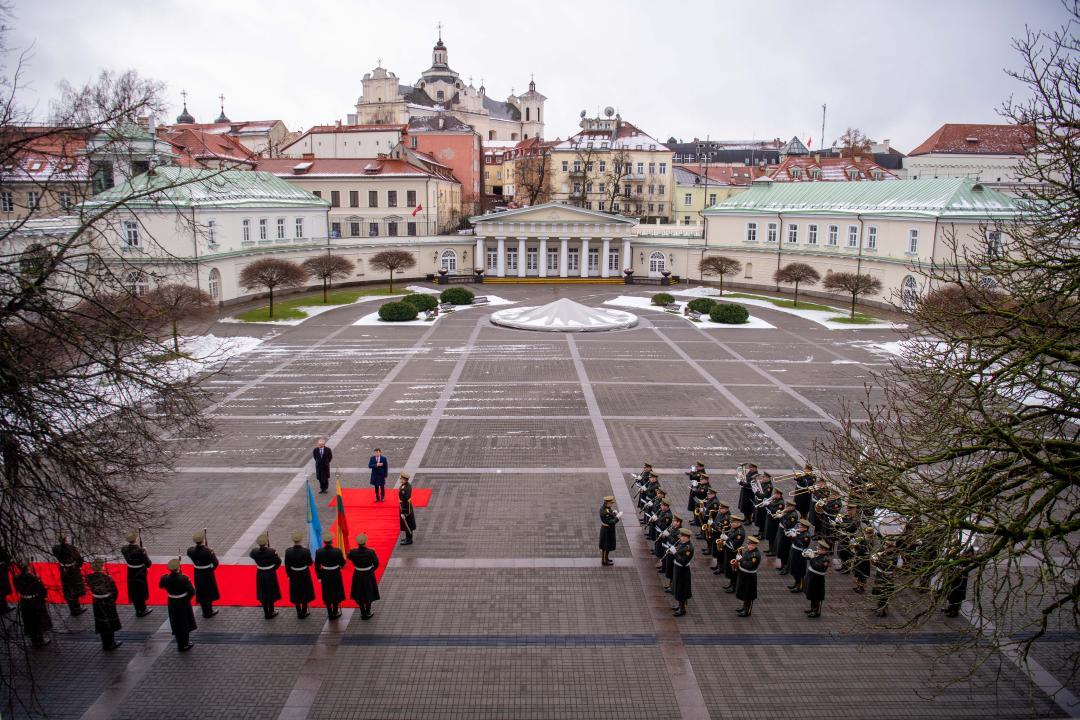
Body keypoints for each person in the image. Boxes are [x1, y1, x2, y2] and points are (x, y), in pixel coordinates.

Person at [86, 560, 123, 650]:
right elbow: (114, 592)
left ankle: (105, 642)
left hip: (96, 602)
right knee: (109, 622)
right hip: (107, 602)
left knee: (101, 622)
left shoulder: (89, 577)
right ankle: (110, 643)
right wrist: (112, 601)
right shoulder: (107, 578)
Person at [160, 558, 196, 651]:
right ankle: (185, 644)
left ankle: (180, 643)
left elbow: (161, 586)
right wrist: (186, 598)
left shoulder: (165, 578)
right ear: (178, 568)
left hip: (172, 602)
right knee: (185, 622)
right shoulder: (184, 578)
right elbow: (192, 591)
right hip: (183, 602)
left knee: (175, 622)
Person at [13, 561, 51, 648]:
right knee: (37, 620)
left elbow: (18, 589)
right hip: (35, 602)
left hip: (24, 602)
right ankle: (40, 640)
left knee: (29, 621)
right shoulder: (34, 579)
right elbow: (41, 590)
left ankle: (33, 640)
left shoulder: (16, 578)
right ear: (28, 568)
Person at [186, 531, 220, 618]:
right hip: (207, 573)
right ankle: (209, 611)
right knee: (208, 592)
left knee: (201, 591)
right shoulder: (208, 551)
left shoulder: (190, 551)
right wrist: (210, 569)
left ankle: (204, 610)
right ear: (203, 540)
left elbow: (192, 552)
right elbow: (215, 563)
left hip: (197, 573)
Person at [347, 534, 380, 620]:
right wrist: (372, 569)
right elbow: (376, 563)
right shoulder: (371, 552)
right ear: (365, 542)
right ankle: (368, 612)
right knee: (369, 592)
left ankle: (362, 612)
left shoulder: (353, 552)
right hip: (368, 574)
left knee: (359, 593)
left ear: (357, 543)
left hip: (358, 574)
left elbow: (348, 556)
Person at [120, 530, 153, 617]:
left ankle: (137, 608)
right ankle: (142, 609)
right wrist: (145, 552)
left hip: (130, 571)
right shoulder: (140, 551)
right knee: (140, 590)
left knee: (134, 590)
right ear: (136, 539)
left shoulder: (124, 549)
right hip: (140, 571)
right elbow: (148, 564)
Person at [52, 534, 86, 616]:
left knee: (67, 589)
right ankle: (76, 609)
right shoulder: (71, 548)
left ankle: (73, 609)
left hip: (63, 570)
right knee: (74, 588)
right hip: (72, 570)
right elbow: (79, 559)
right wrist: (78, 566)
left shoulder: (55, 548)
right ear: (65, 539)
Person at [250, 533, 282, 619]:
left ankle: (266, 612)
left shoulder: (254, 551)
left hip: (260, 573)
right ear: (266, 542)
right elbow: (278, 562)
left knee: (263, 592)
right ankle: (271, 611)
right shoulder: (272, 551)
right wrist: (273, 568)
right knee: (270, 592)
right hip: (270, 573)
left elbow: (252, 555)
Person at [285, 531, 316, 618]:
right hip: (304, 574)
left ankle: (298, 611)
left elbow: (287, 565)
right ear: (301, 540)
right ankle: (304, 611)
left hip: (294, 574)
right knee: (305, 591)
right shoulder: (305, 551)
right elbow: (310, 563)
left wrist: (288, 575)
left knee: (296, 592)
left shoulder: (288, 551)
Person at [315, 532, 346, 619]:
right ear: (332, 541)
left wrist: (319, 576)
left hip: (325, 574)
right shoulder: (337, 551)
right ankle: (335, 611)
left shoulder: (319, 551)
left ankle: (329, 612)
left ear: (324, 541)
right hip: (335, 573)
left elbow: (317, 565)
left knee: (327, 592)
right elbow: (343, 563)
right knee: (336, 592)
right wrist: (341, 566)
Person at [735, 535, 762, 617]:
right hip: (745, 575)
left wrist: (740, 560)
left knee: (749, 594)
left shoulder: (755, 555)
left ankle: (748, 611)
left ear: (754, 545)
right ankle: (744, 607)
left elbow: (749, 565)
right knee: (745, 592)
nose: (748, 546)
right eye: (748, 544)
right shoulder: (748, 551)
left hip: (750, 577)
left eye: (750, 545)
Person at [670, 528, 694, 617]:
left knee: (682, 589)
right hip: (677, 568)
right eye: (681, 536)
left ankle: (682, 609)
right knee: (677, 587)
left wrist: (675, 553)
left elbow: (683, 562)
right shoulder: (682, 543)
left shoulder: (689, 548)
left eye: (683, 536)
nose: (681, 538)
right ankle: (680, 605)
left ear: (687, 537)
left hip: (683, 571)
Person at [804, 540, 830, 618]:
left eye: (819, 549)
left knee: (817, 595)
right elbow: (811, 561)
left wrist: (812, 558)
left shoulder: (825, 559)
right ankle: (812, 609)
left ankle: (816, 611)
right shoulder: (818, 555)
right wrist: (807, 555)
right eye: (818, 548)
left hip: (818, 580)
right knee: (812, 593)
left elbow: (817, 566)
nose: (817, 550)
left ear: (824, 550)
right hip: (812, 578)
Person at [787, 519, 813, 592]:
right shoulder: (800, 532)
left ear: (805, 528)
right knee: (794, 569)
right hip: (795, 552)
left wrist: (795, 537)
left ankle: (800, 586)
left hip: (800, 554)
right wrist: (792, 535)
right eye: (799, 525)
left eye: (801, 526)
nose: (799, 527)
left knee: (799, 571)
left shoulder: (806, 536)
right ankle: (796, 583)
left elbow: (801, 544)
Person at [775, 500, 800, 574]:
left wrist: (781, 516)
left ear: (792, 507)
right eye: (787, 505)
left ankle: (786, 567)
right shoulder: (788, 512)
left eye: (788, 506)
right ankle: (782, 565)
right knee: (781, 549)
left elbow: (787, 525)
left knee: (785, 551)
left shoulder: (793, 515)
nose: (786, 507)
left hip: (787, 535)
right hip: (782, 532)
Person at [722, 514, 746, 588]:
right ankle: (731, 583)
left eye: (733, 523)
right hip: (729, 552)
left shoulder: (739, 533)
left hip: (734, 553)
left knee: (734, 570)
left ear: (738, 523)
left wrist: (726, 540)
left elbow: (734, 546)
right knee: (730, 569)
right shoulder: (734, 528)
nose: (731, 524)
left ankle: (734, 586)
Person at [661, 516, 683, 592]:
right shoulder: (673, 528)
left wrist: (668, 535)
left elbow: (675, 542)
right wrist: (664, 535)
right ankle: (671, 584)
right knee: (669, 568)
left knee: (672, 569)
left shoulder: (679, 532)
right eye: (673, 521)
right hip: (669, 549)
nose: (672, 522)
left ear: (678, 522)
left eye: (674, 521)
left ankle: (673, 586)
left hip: (673, 553)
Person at [852, 527, 876, 594]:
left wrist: (858, 547)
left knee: (863, 575)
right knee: (858, 574)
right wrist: (855, 546)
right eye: (865, 533)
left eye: (868, 533)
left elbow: (866, 551)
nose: (866, 534)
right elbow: (858, 547)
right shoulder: (863, 539)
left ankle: (861, 588)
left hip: (864, 561)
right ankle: (858, 586)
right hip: (859, 559)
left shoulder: (870, 542)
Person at [599, 495, 621, 566]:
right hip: (606, 531)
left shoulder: (607, 508)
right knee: (605, 546)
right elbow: (611, 522)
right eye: (611, 503)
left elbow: (610, 514)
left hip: (609, 530)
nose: (611, 504)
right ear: (607, 503)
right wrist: (617, 517)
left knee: (608, 546)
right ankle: (604, 561)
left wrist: (613, 513)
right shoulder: (605, 511)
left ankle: (606, 558)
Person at [398, 473, 416, 545]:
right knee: (406, 524)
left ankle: (409, 539)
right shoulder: (405, 485)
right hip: (405, 506)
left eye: (402, 479)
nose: (401, 480)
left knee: (408, 524)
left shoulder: (405, 488)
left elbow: (405, 500)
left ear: (405, 479)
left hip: (406, 508)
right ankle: (407, 537)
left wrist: (403, 511)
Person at [0, 547, 14, 615]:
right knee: (2, 590)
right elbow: (7, 558)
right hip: (1, 573)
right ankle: (3, 607)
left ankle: (4, 606)